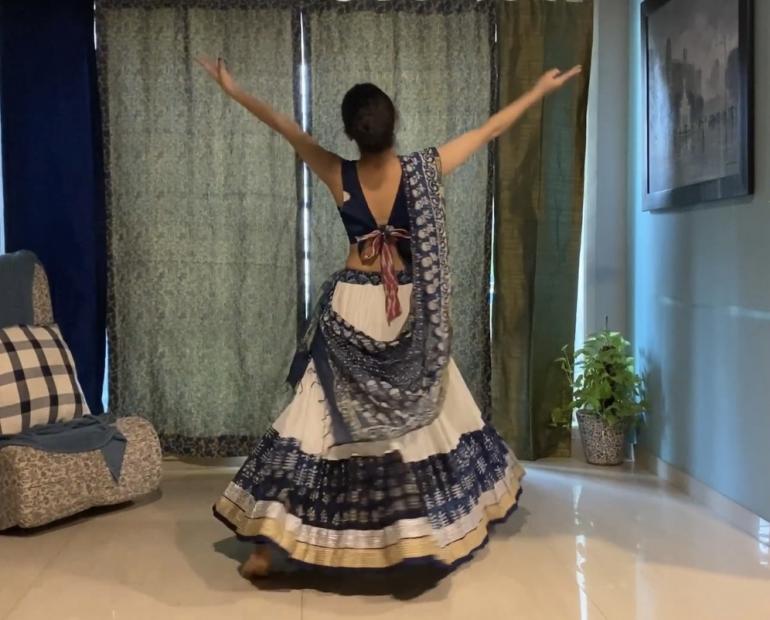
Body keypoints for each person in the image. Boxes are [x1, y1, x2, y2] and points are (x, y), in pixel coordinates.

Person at [197, 56, 581, 579]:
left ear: (352, 133)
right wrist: (538, 88)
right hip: (405, 309)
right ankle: (408, 537)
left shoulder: (337, 171)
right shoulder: (426, 168)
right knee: (421, 412)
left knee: (317, 416)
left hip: (351, 302)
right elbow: (490, 128)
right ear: (393, 123)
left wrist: (233, 86)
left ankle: (270, 542)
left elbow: (282, 125)